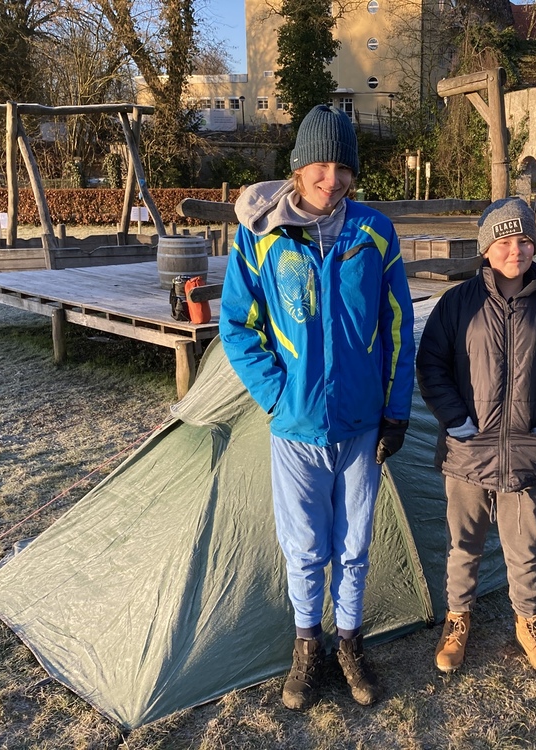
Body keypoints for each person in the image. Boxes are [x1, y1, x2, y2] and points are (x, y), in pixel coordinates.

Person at [219, 104, 415, 711]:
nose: (333, 180)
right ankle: (307, 645)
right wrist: (277, 395)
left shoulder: (373, 233)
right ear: (300, 167)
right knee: (304, 547)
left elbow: (398, 326)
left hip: (361, 426)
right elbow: (236, 327)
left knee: (354, 545)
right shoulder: (260, 236)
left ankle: (349, 643)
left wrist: (396, 411)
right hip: (296, 427)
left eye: (343, 168)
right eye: (321, 167)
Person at [416, 197, 536, 678]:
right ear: (486, 248)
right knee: (463, 544)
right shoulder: (458, 303)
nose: (516, 250)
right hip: (467, 452)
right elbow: (431, 364)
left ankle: (528, 623)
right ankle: (457, 620)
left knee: (525, 548)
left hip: (528, 455)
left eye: (525, 240)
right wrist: (455, 420)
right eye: (505, 241)